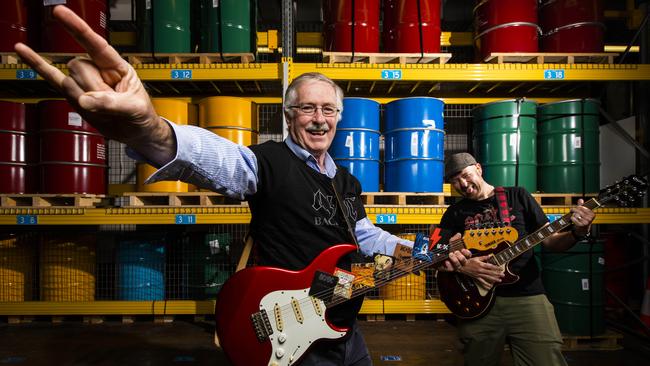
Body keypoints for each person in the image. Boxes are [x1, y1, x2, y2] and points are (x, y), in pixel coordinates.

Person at [15, 5, 470, 365]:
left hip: (344, 323)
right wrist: (150, 129)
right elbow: (219, 161)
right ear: (288, 116)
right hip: (292, 328)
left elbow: (363, 233)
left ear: (340, 117)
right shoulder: (266, 162)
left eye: (328, 110)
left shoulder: (347, 180)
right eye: (307, 109)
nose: (319, 119)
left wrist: (418, 253)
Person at [438, 152, 596, 366]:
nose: (463, 184)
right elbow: (436, 255)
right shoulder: (454, 213)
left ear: (478, 168)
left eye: (465, 175)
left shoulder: (518, 196)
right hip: (475, 300)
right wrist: (465, 267)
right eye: (455, 181)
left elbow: (551, 242)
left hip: (527, 297)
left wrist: (578, 232)